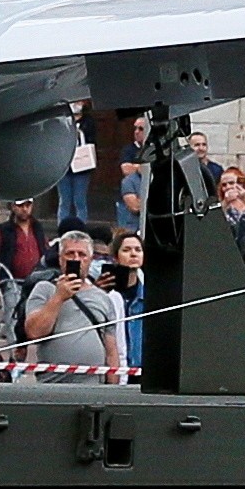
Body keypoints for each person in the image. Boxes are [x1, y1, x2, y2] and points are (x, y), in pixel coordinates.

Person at [20, 230, 122, 381]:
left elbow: (111, 351)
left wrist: (113, 390)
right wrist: (58, 297)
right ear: (61, 259)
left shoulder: (102, 298)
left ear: (90, 260)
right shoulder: (44, 289)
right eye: (70, 254)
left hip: (93, 386)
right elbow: (34, 333)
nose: (76, 259)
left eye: (82, 255)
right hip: (53, 384)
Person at [100, 228, 146, 370]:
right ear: (115, 257)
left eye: (138, 250)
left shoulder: (151, 296)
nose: (133, 254)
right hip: (113, 368)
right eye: (126, 250)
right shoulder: (106, 295)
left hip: (141, 369)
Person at [0, 198, 48, 284]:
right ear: (13, 206)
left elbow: (45, 249)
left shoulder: (38, 227)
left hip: (37, 281)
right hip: (11, 282)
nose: (25, 209)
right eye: (20, 206)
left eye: (27, 205)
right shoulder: (3, 230)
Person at [117, 117, 149, 232]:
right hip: (130, 193)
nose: (136, 132)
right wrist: (142, 167)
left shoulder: (152, 149)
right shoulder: (129, 149)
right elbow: (126, 169)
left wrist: (134, 166)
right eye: (135, 128)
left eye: (140, 129)